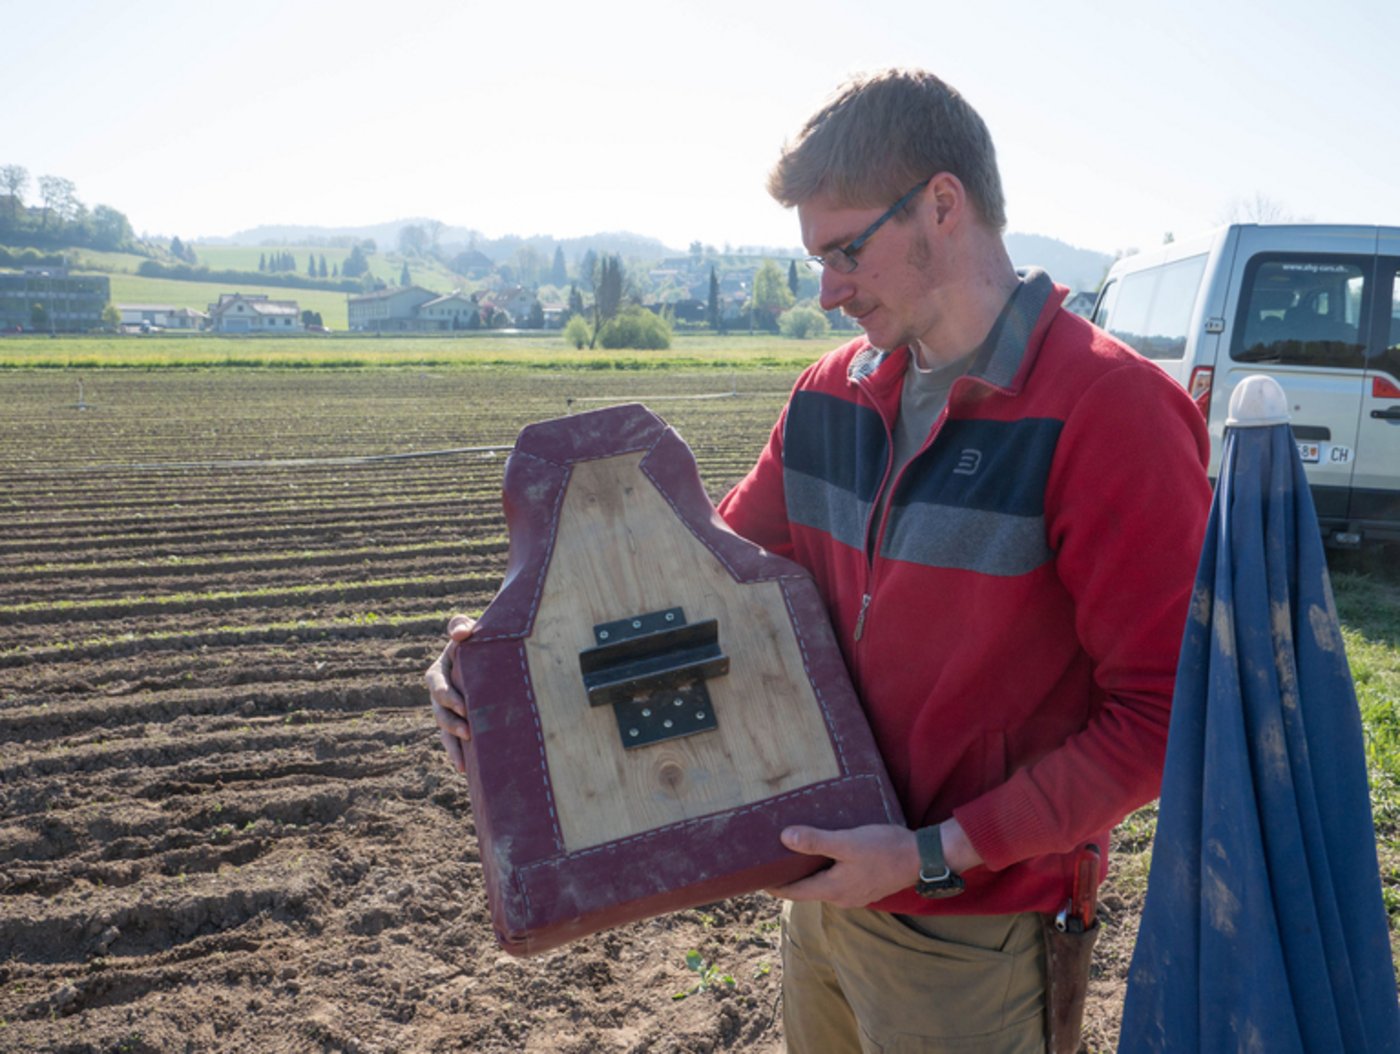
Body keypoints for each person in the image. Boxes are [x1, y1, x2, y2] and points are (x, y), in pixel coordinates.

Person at [428, 68, 1211, 1053]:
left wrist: (930, 854)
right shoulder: (827, 398)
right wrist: (496, 680)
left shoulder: (1110, 413)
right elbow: (693, 602)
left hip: (973, 934)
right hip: (822, 899)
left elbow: (1159, 715)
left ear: (941, 203)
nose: (828, 291)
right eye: (815, 259)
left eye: (846, 251)